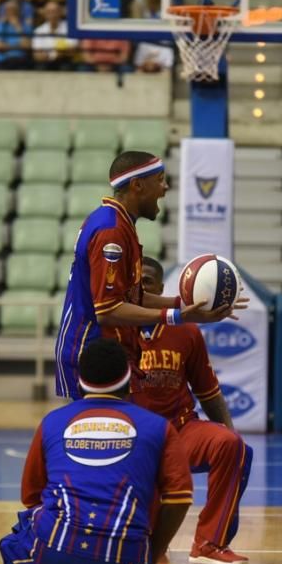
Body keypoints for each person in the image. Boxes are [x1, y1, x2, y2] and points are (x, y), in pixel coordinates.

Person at [0, 338, 192, 564]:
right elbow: (179, 498)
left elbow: (31, 496)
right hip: (125, 559)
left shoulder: (52, 422)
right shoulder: (158, 426)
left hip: (56, 550)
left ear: (79, 381)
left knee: (17, 545)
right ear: (129, 382)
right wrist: (153, 555)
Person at [54, 150, 239, 400]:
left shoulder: (117, 222)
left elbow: (130, 297)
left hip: (107, 349)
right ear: (137, 185)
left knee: (125, 432)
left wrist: (188, 305)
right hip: (94, 352)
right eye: (160, 179)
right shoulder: (112, 232)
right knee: (113, 434)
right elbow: (108, 311)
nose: (165, 188)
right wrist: (175, 316)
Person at [135, 257, 252, 564]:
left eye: (148, 280)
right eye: (136, 279)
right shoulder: (114, 328)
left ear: (161, 288)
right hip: (133, 440)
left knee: (231, 445)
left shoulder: (186, 331)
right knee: (147, 549)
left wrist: (228, 431)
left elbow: (209, 392)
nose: (141, 284)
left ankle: (209, 543)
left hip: (179, 433)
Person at [32, 0, 76, 69]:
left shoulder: (70, 28)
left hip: (64, 61)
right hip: (45, 62)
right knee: (40, 67)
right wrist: (57, 54)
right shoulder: (39, 31)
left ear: (60, 12)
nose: (52, 15)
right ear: (45, 14)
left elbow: (72, 49)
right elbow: (37, 55)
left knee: (65, 67)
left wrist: (53, 55)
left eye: (54, 11)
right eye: (49, 12)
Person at [0, 0, 32, 69]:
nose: (10, 12)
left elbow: (27, 45)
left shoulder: (26, 27)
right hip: (2, 61)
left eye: (13, 10)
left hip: (20, 61)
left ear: (19, 11)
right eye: (8, 10)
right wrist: (17, 47)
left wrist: (18, 27)